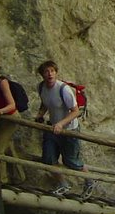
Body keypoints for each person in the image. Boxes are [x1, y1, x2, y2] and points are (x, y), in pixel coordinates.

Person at [36, 60, 95, 199]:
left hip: (69, 129)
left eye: (52, 71)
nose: (49, 74)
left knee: (72, 162)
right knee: (48, 158)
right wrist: (40, 115)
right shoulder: (41, 87)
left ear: (56, 72)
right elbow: (45, 103)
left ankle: (90, 181)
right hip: (53, 127)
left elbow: (75, 111)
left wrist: (61, 124)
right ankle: (63, 184)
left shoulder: (63, 89)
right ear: (42, 74)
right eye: (46, 71)